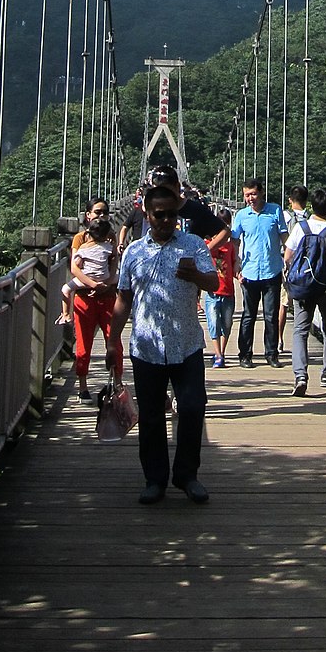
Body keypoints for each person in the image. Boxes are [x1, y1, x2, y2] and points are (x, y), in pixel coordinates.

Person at [108, 182, 219, 505]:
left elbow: (214, 283)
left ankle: (187, 475)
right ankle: (154, 479)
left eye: (172, 215)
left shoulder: (194, 245)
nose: (167, 221)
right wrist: (113, 341)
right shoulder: (133, 252)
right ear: (146, 213)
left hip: (186, 344)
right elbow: (123, 299)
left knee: (192, 407)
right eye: (160, 215)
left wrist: (196, 275)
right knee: (152, 415)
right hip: (147, 346)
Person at [284, 186, 326, 397]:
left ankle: (301, 376)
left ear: (312, 205)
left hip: (303, 287)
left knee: (300, 330)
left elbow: (287, 256)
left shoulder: (301, 227)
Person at [67, 199, 121, 403]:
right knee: (83, 344)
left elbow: (114, 261)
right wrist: (92, 284)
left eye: (105, 212)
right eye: (97, 212)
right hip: (84, 299)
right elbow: (74, 268)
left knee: (114, 342)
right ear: (87, 215)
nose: (101, 216)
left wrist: (107, 283)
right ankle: (82, 387)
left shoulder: (110, 236)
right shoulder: (79, 239)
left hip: (107, 297)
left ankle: (117, 384)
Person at [231, 177, 288, 366]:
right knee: (249, 315)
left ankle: (271, 354)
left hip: (272, 270)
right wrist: (236, 264)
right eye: (247, 195)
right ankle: (245, 354)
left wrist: (291, 258)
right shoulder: (241, 215)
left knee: (271, 316)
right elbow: (235, 241)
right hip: (249, 271)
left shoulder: (275, 211)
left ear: (261, 192)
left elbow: (284, 237)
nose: (250, 198)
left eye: (253, 194)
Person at [278, 184, 310, 351]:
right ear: (306, 200)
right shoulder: (311, 219)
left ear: (290, 200)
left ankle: (279, 339)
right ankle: (300, 339)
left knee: (283, 304)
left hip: (288, 264)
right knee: (302, 303)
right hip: (306, 266)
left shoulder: (285, 216)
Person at [203, 208, 236, 367]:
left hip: (228, 291)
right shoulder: (206, 245)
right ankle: (217, 354)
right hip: (212, 292)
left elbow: (234, 265)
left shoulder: (230, 247)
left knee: (227, 325)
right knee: (213, 323)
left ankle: (221, 352)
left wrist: (240, 275)